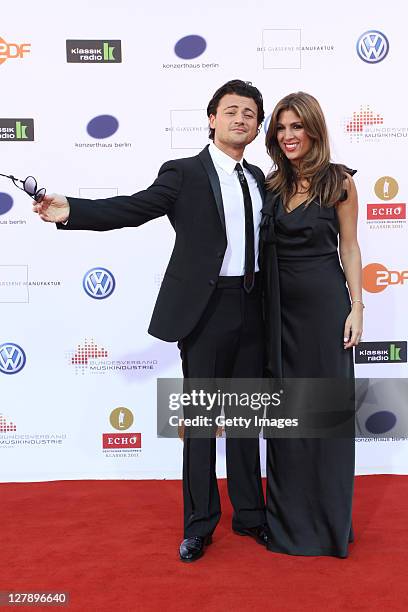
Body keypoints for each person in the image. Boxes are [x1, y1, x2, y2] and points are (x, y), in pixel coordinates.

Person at [32, 80, 277, 562]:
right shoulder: (184, 173)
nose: (240, 120)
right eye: (231, 111)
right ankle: (200, 524)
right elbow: (134, 208)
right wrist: (71, 211)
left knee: (247, 420)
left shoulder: (261, 180)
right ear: (211, 119)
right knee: (203, 422)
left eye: (250, 114)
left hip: (255, 306)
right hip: (206, 310)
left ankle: (251, 517)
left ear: (256, 125)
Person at [261, 91, 363, 557]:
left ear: (314, 130)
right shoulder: (270, 185)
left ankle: (328, 521)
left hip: (324, 312)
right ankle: (288, 522)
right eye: (281, 127)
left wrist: (357, 306)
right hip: (277, 313)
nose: (288, 136)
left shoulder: (338, 181)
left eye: (296, 126)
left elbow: (349, 247)